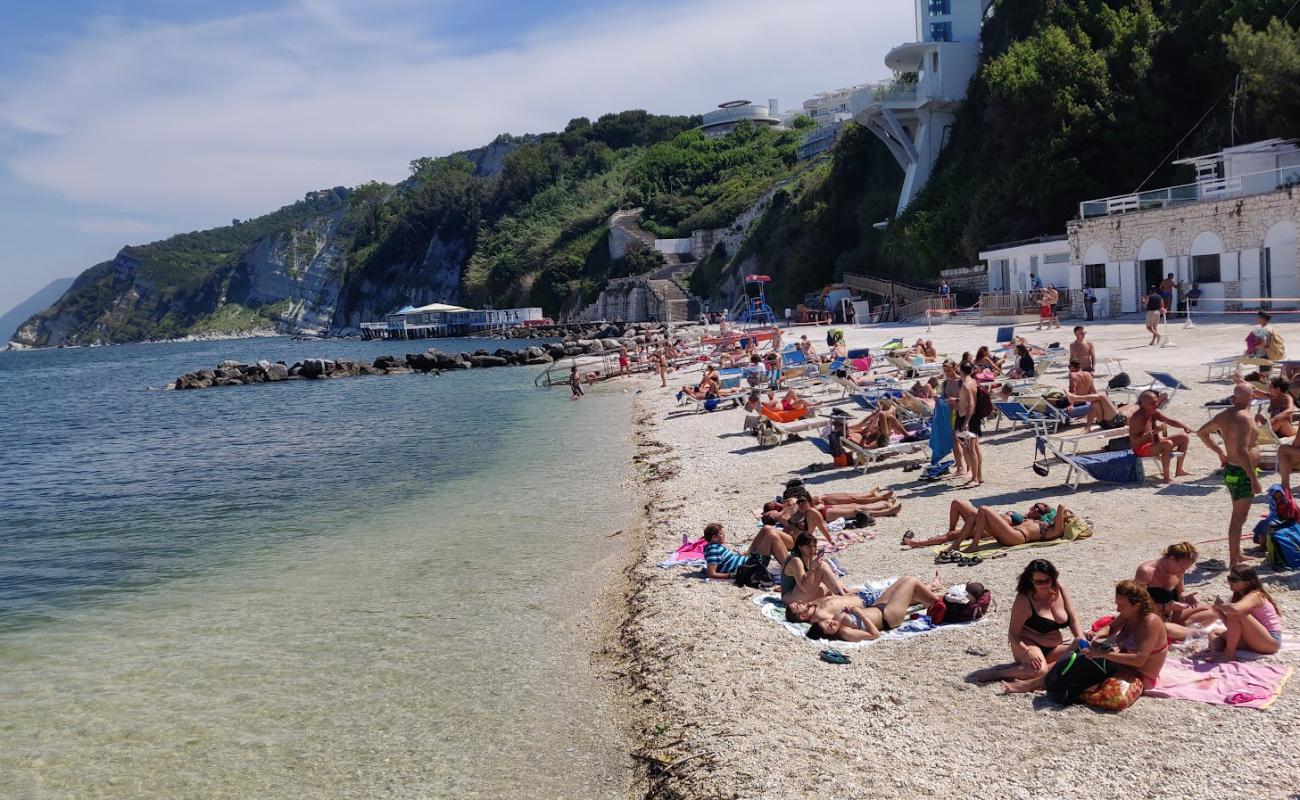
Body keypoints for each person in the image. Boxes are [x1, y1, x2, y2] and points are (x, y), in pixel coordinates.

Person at [1007, 581, 1169, 694]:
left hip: (1140, 674)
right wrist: (1098, 634)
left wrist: (1103, 653)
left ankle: (1032, 683)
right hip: (1125, 664)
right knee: (1082, 649)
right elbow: (1111, 627)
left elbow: (1139, 659)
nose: (1117, 608)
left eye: (1121, 605)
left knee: (1082, 657)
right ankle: (1039, 679)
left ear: (1138, 605)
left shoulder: (1150, 622)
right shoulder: (1129, 614)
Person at [970, 560, 1082, 683]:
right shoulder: (1024, 600)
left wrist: (1081, 639)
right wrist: (1027, 652)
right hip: (1027, 644)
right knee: (1039, 671)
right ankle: (999, 673)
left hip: (1054, 647)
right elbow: (1013, 634)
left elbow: (1073, 619)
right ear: (1031, 581)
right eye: (1040, 582)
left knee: (1083, 648)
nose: (1045, 585)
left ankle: (1034, 670)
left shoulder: (1058, 588)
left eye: (1048, 580)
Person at [1198, 383, 1261, 568]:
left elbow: (1202, 432)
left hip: (1232, 469)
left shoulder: (1225, 414)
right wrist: (1253, 478)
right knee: (1238, 518)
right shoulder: (1243, 418)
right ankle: (1234, 561)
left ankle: (1238, 554)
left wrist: (1220, 452)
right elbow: (1242, 450)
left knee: (1239, 516)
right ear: (1252, 396)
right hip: (1242, 472)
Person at [795, 576, 946, 642]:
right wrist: (860, 614)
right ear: (830, 635)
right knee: (911, 582)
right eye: (828, 627)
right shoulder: (846, 633)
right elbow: (874, 635)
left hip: (878, 606)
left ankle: (938, 596)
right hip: (888, 617)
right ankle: (940, 605)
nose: (830, 623)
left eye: (827, 622)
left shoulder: (837, 621)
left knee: (904, 580)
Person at [904, 499, 1068, 552]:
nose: (1034, 508)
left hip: (1016, 536)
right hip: (1003, 530)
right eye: (1035, 505)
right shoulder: (1028, 519)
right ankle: (956, 544)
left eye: (1039, 509)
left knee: (982, 510)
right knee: (971, 511)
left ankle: (971, 544)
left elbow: (1060, 510)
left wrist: (1061, 514)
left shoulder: (1050, 530)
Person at [1134, 542, 1217, 639]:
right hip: (1151, 615)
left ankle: (1180, 628)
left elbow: (1180, 592)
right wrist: (1165, 607)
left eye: (1186, 569)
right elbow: (1137, 604)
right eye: (1182, 568)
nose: (1183, 572)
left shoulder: (1178, 571)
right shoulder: (1147, 571)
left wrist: (1187, 597)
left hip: (1172, 613)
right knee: (1163, 628)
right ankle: (1186, 631)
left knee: (1215, 610)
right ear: (1172, 559)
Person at [1206, 566, 1283, 661]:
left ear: (1247, 583)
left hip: (1270, 641)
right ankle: (1217, 653)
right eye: (1229, 578)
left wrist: (1221, 606)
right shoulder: (1240, 597)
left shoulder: (1255, 595)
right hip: (1255, 639)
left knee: (1236, 612)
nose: (1230, 582)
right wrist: (1219, 611)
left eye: (1233, 579)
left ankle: (1229, 654)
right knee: (1214, 633)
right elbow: (1233, 627)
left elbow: (1235, 610)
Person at [1128, 389, 1193, 482]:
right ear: (1144, 405)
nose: (1156, 405)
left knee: (1184, 437)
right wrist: (1155, 431)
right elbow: (1135, 441)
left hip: (1152, 443)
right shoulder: (1138, 417)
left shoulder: (1154, 411)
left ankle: (1179, 470)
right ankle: (1167, 477)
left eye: (1156, 402)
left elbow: (1170, 421)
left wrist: (1184, 426)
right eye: (1152, 404)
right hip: (1140, 448)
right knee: (1168, 443)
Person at [701, 522, 791, 582]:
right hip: (750, 569)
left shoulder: (716, 546)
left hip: (749, 562)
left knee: (767, 528)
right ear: (714, 537)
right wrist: (731, 575)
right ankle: (790, 568)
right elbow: (711, 574)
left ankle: (749, 551)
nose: (724, 535)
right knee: (772, 536)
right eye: (721, 534)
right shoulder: (713, 550)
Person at [780, 532, 848, 604]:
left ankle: (844, 594)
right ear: (800, 547)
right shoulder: (796, 560)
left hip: (800, 593)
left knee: (830, 586)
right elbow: (804, 588)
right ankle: (843, 599)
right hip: (789, 597)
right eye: (809, 546)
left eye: (814, 546)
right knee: (822, 568)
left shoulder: (808, 558)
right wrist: (813, 568)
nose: (812, 549)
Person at [955, 361, 984, 486]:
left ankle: (975, 479)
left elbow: (971, 404)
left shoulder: (966, 385)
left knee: (970, 449)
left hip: (967, 417)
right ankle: (979, 476)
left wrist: (966, 422)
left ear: (961, 370)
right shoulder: (973, 382)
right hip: (973, 417)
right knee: (975, 448)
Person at [940, 360, 965, 475]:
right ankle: (959, 467)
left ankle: (968, 468)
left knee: (964, 442)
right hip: (950, 415)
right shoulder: (945, 383)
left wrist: (956, 400)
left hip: (962, 414)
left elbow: (968, 400)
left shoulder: (961, 381)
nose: (947, 373)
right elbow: (944, 398)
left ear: (955, 368)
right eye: (945, 371)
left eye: (949, 370)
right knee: (954, 442)